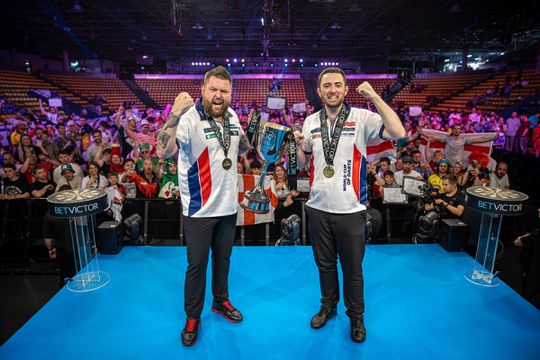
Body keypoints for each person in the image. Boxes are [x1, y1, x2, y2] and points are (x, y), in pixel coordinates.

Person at [295, 68, 405, 343]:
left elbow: (398, 131)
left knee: (353, 270)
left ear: (345, 90)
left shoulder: (362, 117)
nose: (332, 90)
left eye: (337, 85)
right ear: (319, 92)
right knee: (325, 265)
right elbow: (301, 163)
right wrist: (295, 145)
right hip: (318, 207)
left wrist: (372, 95)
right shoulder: (310, 121)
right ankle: (328, 306)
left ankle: (356, 316)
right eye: (327, 86)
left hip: (351, 209)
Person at [156, 66, 250, 347]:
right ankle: (192, 316)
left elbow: (242, 147)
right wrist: (173, 113)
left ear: (230, 93)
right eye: (214, 90)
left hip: (228, 206)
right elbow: (164, 151)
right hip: (199, 209)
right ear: (203, 90)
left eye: (224, 90)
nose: (219, 96)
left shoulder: (232, 116)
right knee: (196, 265)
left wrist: (259, 132)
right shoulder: (188, 118)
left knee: (223, 261)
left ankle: (220, 301)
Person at [420, 123, 497, 167]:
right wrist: (422, 132)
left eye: (458, 129)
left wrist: (491, 138)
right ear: (453, 130)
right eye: (455, 129)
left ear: (460, 130)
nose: (456, 130)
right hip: (447, 165)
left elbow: (478, 140)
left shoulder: (464, 141)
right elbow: (433, 136)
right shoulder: (447, 139)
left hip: (458, 166)